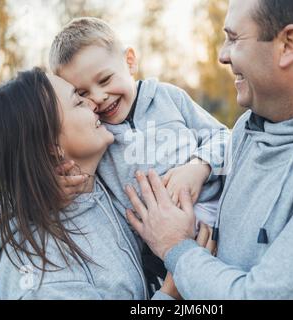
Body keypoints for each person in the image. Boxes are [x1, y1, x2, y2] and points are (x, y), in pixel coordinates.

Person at [124, 0, 293, 299]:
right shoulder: (252, 124)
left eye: (233, 39)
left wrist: (176, 249)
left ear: (288, 44)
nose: (222, 55)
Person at [48, 17, 229, 293]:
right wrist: (54, 186)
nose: (99, 97)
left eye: (105, 79)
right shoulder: (97, 138)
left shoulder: (169, 99)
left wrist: (199, 166)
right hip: (153, 255)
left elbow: (225, 138)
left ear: (130, 61)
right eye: (83, 93)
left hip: (217, 225)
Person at [0, 68, 180, 299]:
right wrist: (172, 292)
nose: (93, 104)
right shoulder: (45, 282)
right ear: (51, 145)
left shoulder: (98, 186)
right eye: (78, 101)